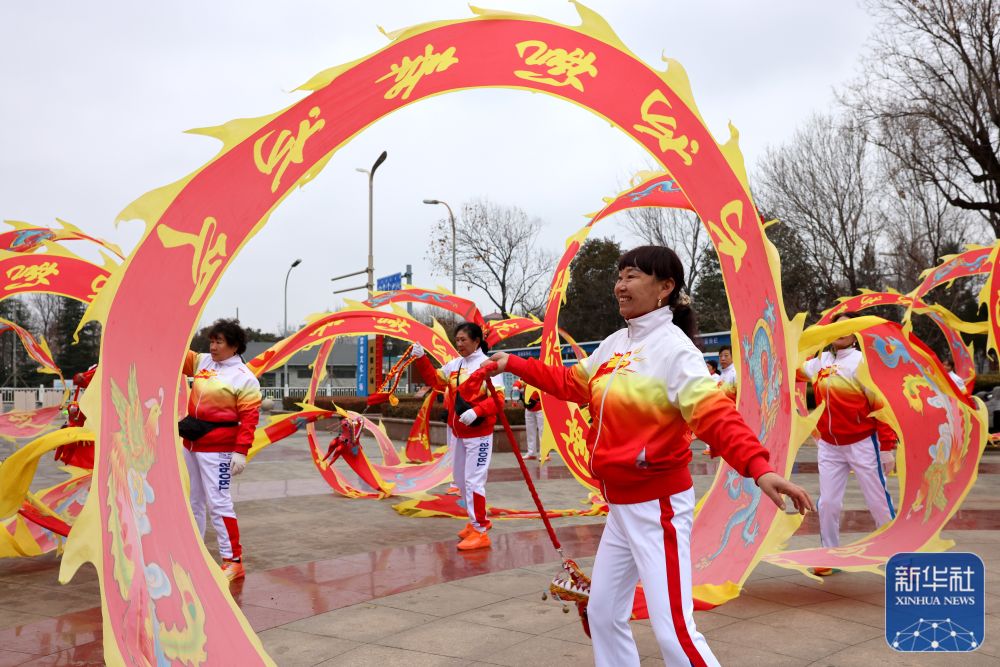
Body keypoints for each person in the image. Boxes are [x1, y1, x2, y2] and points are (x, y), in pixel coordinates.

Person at [479, 246, 813, 667]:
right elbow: (572, 383)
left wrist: (760, 469)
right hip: (620, 505)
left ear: (665, 287)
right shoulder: (616, 344)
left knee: (674, 633)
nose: (620, 285)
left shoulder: (676, 352)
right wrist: (512, 363)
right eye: (619, 276)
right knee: (602, 613)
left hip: (659, 509)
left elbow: (716, 417)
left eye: (632, 275)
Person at [799, 313, 897, 576]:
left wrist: (887, 447)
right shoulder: (820, 362)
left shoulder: (862, 363)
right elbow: (791, 368)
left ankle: (895, 557)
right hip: (830, 445)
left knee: (878, 501)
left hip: (862, 442)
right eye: (836, 326)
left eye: (847, 327)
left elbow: (881, 407)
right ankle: (830, 557)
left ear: (855, 334)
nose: (841, 331)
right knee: (828, 503)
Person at [180, 319, 261, 582]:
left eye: (219, 342)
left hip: (219, 448)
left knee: (219, 503)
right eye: (211, 341)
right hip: (191, 442)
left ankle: (233, 561)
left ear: (234, 346)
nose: (213, 347)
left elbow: (249, 419)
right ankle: (193, 552)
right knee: (194, 502)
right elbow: (177, 355)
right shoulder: (203, 361)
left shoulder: (244, 378)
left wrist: (241, 451)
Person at [412, 322, 504, 550]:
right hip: (459, 433)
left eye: (463, 339)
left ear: (476, 341)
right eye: (457, 340)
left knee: (474, 481)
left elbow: (499, 400)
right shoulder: (455, 365)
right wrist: (421, 358)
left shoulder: (489, 365)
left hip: (479, 434)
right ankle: (475, 523)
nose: (459, 344)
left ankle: (481, 531)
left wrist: (477, 411)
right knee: (461, 482)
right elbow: (435, 381)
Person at [522, 382, 543, 460]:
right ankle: (531, 453)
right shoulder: (526, 376)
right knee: (530, 431)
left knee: (542, 431)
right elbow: (520, 381)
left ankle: (545, 454)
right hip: (529, 407)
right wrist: (516, 385)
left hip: (541, 407)